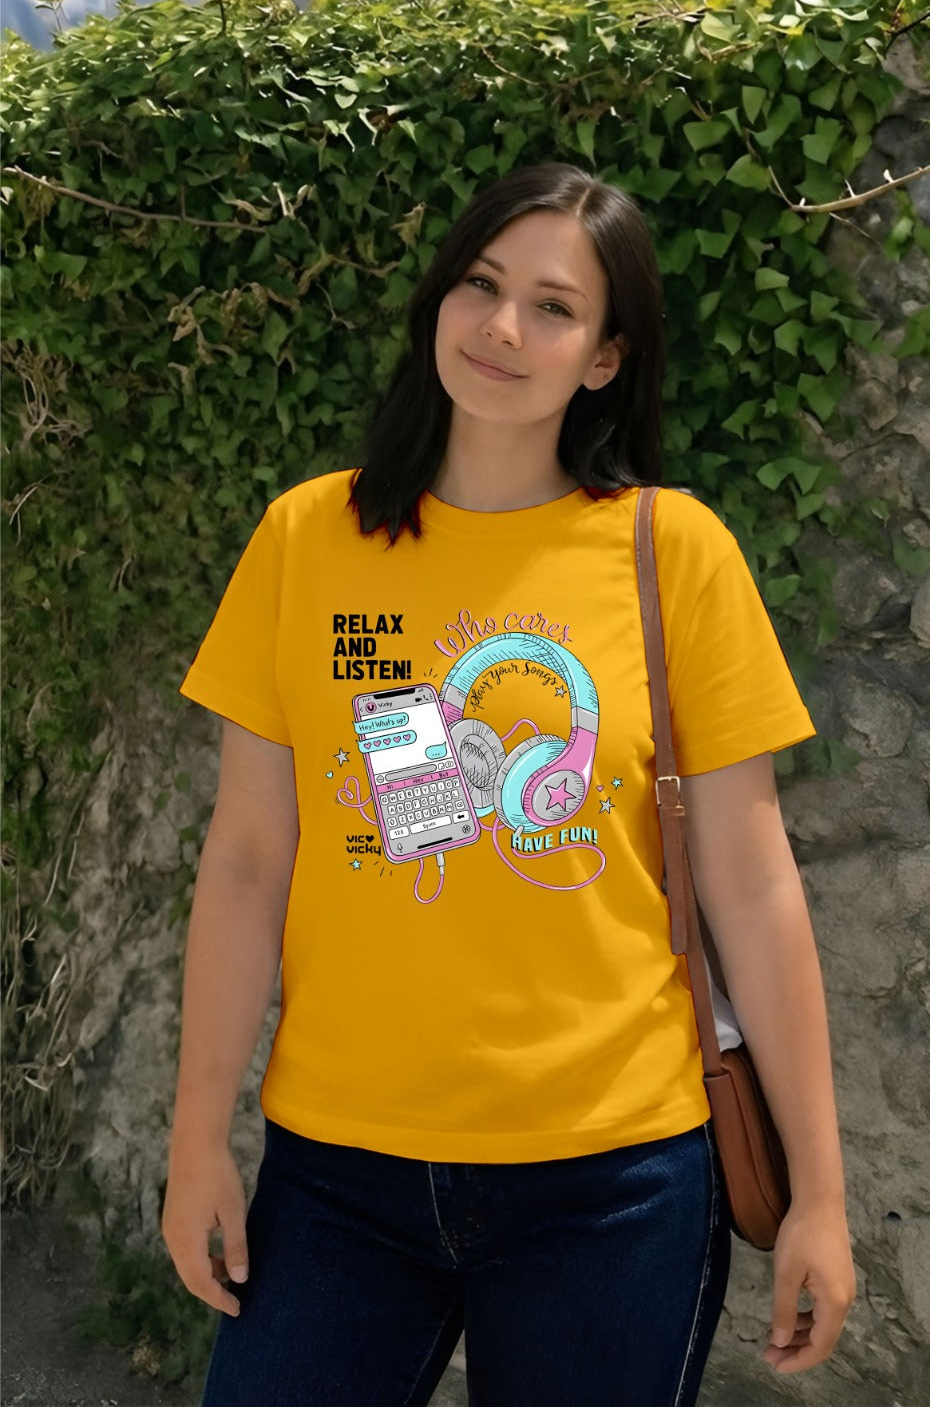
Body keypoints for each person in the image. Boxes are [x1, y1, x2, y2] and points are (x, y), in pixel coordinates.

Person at [162, 162, 855, 1407]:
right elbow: (250, 860)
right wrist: (195, 1137)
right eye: (480, 285)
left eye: (553, 307)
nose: (501, 328)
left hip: (614, 1182)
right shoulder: (305, 539)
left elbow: (752, 887)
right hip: (337, 1172)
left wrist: (821, 1195)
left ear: (603, 358)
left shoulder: (673, 553)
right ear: (437, 300)